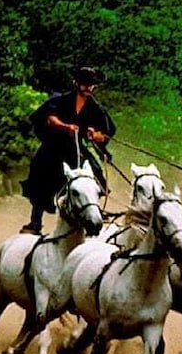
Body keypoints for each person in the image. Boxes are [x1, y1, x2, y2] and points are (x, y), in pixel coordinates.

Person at [20, 66, 116, 234]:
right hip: (53, 147)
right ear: (76, 83)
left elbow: (106, 133)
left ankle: (94, 209)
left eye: (92, 84)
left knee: (95, 172)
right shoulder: (60, 100)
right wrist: (66, 127)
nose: (88, 87)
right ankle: (35, 222)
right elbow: (50, 119)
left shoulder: (95, 108)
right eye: (85, 83)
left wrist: (95, 135)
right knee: (42, 176)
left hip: (75, 149)